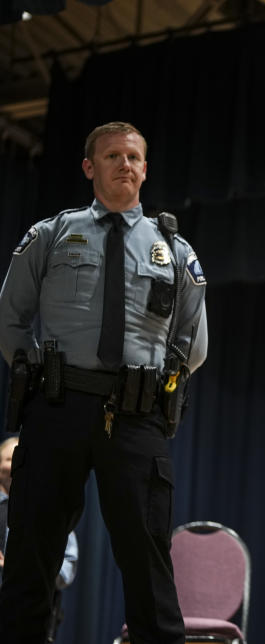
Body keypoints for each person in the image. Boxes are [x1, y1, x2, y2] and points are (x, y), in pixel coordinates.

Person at [0, 121, 208, 643]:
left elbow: (193, 342)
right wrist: (34, 370)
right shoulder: (50, 235)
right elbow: (10, 319)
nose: (125, 165)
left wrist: (161, 386)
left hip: (136, 414)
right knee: (32, 554)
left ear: (145, 168)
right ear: (90, 167)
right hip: (57, 405)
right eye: (112, 156)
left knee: (148, 560)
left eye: (134, 157)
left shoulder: (174, 250)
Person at [0, 436, 78, 642]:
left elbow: (67, 569)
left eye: (21, 458)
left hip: (30, 615)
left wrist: (26, 569)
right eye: (8, 459)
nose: (15, 465)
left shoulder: (50, 511)